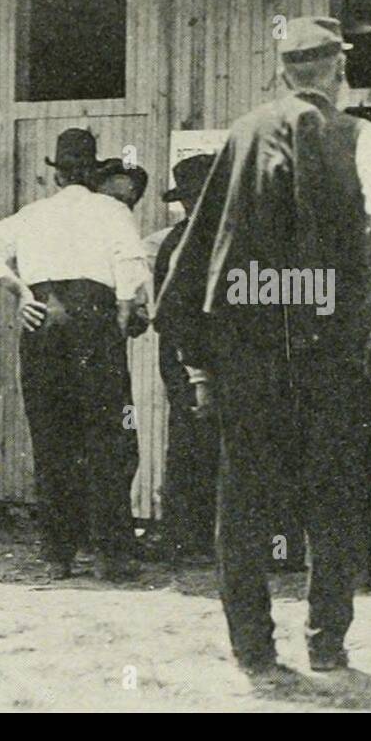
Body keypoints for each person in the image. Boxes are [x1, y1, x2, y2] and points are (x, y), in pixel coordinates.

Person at [155, 16, 371, 677]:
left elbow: (203, 244)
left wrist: (200, 354)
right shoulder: (362, 136)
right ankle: (327, 639)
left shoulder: (242, 135)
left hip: (250, 350)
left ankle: (251, 645)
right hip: (328, 348)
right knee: (333, 494)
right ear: (338, 71)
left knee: (243, 498)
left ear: (282, 72)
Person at [0, 127, 148, 582]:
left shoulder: (32, 213)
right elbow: (129, 263)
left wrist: (19, 291)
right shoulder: (111, 209)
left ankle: (57, 554)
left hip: (42, 323)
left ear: (58, 175)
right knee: (108, 437)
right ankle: (112, 556)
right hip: (93, 325)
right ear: (93, 172)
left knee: (52, 438)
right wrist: (125, 310)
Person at [152, 153, 218, 563]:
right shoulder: (188, 242)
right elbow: (175, 313)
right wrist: (197, 373)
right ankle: (189, 539)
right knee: (195, 443)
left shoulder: (183, 239)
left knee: (196, 444)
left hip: (194, 354)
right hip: (191, 356)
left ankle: (194, 538)